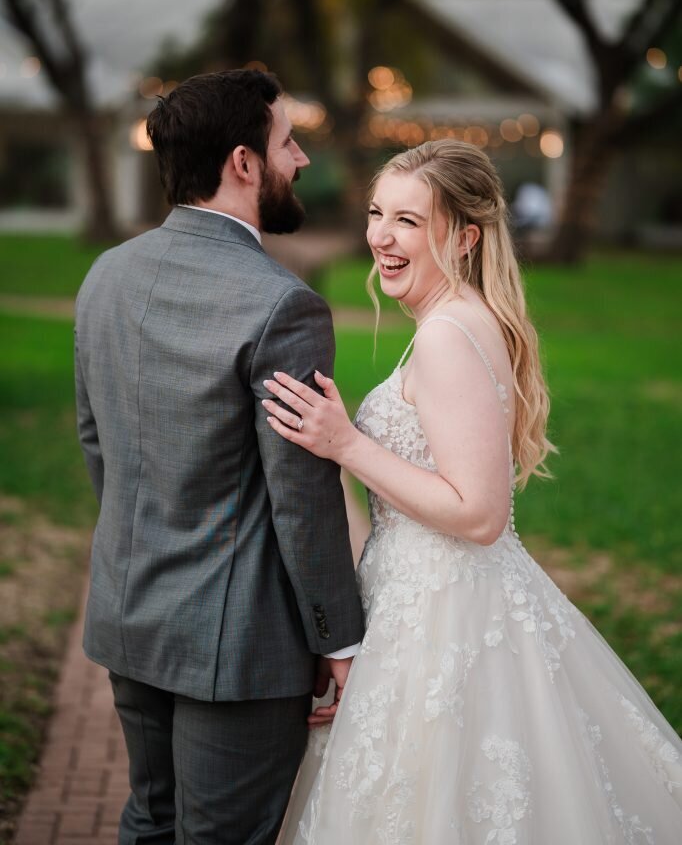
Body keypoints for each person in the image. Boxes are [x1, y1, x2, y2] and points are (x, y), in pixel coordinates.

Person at [267, 139, 682, 843]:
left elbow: (481, 513)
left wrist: (348, 445)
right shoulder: (454, 320)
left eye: (407, 220)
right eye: (376, 214)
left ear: (463, 237)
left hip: (447, 617)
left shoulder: (447, 336)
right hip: (421, 598)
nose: (380, 236)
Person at [74, 69, 364, 845]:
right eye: (287, 143)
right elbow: (302, 497)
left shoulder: (106, 275)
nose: (300, 160)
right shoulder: (283, 304)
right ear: (243, 163)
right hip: (238, 654)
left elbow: (96, 442)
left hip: (128, 615)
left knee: (151, 820)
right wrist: (337, 638)